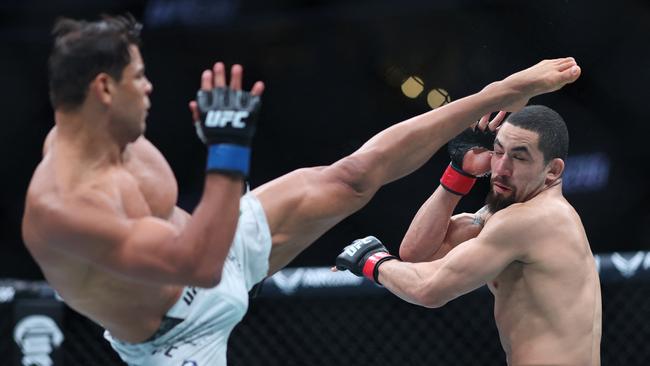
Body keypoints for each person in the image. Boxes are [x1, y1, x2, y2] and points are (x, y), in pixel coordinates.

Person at [21, 13, 582, 366]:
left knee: (351, 176)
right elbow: (199, 263)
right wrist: (226, 153)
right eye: (137, 78)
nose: (148, 88)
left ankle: (494, 90)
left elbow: (204, 242)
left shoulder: (120, 138)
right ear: (102, 88)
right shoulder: (62, 209)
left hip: (214, 247)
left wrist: (500, 95)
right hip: (177, 337)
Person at [336, 105, 602, 365]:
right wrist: (458, 174)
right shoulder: (508, 214)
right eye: (498, 152)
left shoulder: (533, 220)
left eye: (519, 157)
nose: (501, 169)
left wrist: (371, 260)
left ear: (553, 171)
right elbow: (417, 254)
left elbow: (428, 289)